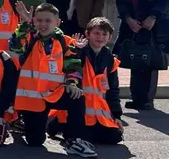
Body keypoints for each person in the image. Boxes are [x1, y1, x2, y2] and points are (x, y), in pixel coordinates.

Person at [9, 2, 98, 158]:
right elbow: (15, 49)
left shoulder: (67, 42)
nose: (43, 24)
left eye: (48, 21)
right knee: (35, 142)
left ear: (57, 22)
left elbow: (74, 66)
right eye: (39, 20)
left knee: (77, 96)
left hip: (54, 93)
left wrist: (72, 83)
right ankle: (41, 124)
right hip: (33, 98)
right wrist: (24, 23)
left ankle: (73, 140)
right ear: (34, 21)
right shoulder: (29, 37)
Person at [48, 17, 124, 145]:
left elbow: (113, 90)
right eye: (96, 33)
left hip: (97, 113)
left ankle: (70, 129)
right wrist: (76, 50)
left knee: (115, 137)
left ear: (110, 37)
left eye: (104, 34)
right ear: (87, 34)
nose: (100, 37)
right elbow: (70, 69)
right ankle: (57, 123)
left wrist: (117, 116)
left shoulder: (110, 60)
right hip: (78, 109)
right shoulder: (80, 51)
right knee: (84, 137)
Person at [113, 0, 169, 111]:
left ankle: (147, 99)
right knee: (134, 58)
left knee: (150, 60)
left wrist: (153, 16)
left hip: (153, 23)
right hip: (133, 23)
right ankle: (136, 97)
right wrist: (128, 19)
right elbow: (120, 0)